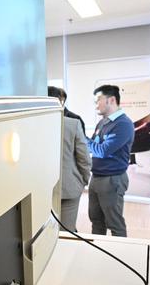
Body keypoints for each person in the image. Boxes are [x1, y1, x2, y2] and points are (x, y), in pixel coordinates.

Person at [86, 85, 135, 237]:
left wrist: (81, 138)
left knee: (115, 224)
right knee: (96, 221)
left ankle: (120, 252)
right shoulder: (102, 122)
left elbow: (102, 151)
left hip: (112, 180)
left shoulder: (123, 124)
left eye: (98, 100)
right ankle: (98, 250)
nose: (95, 104)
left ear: (111, 100)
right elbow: (93, 146)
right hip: (96, 177)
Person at [48, 87, 91, 230]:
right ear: (60, 101)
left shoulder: (30, 124)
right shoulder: (73, 123)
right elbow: (84, 158)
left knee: (45, 230)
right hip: (69, 186)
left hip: (40, 187)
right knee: (67, 230)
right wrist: (83, 179)